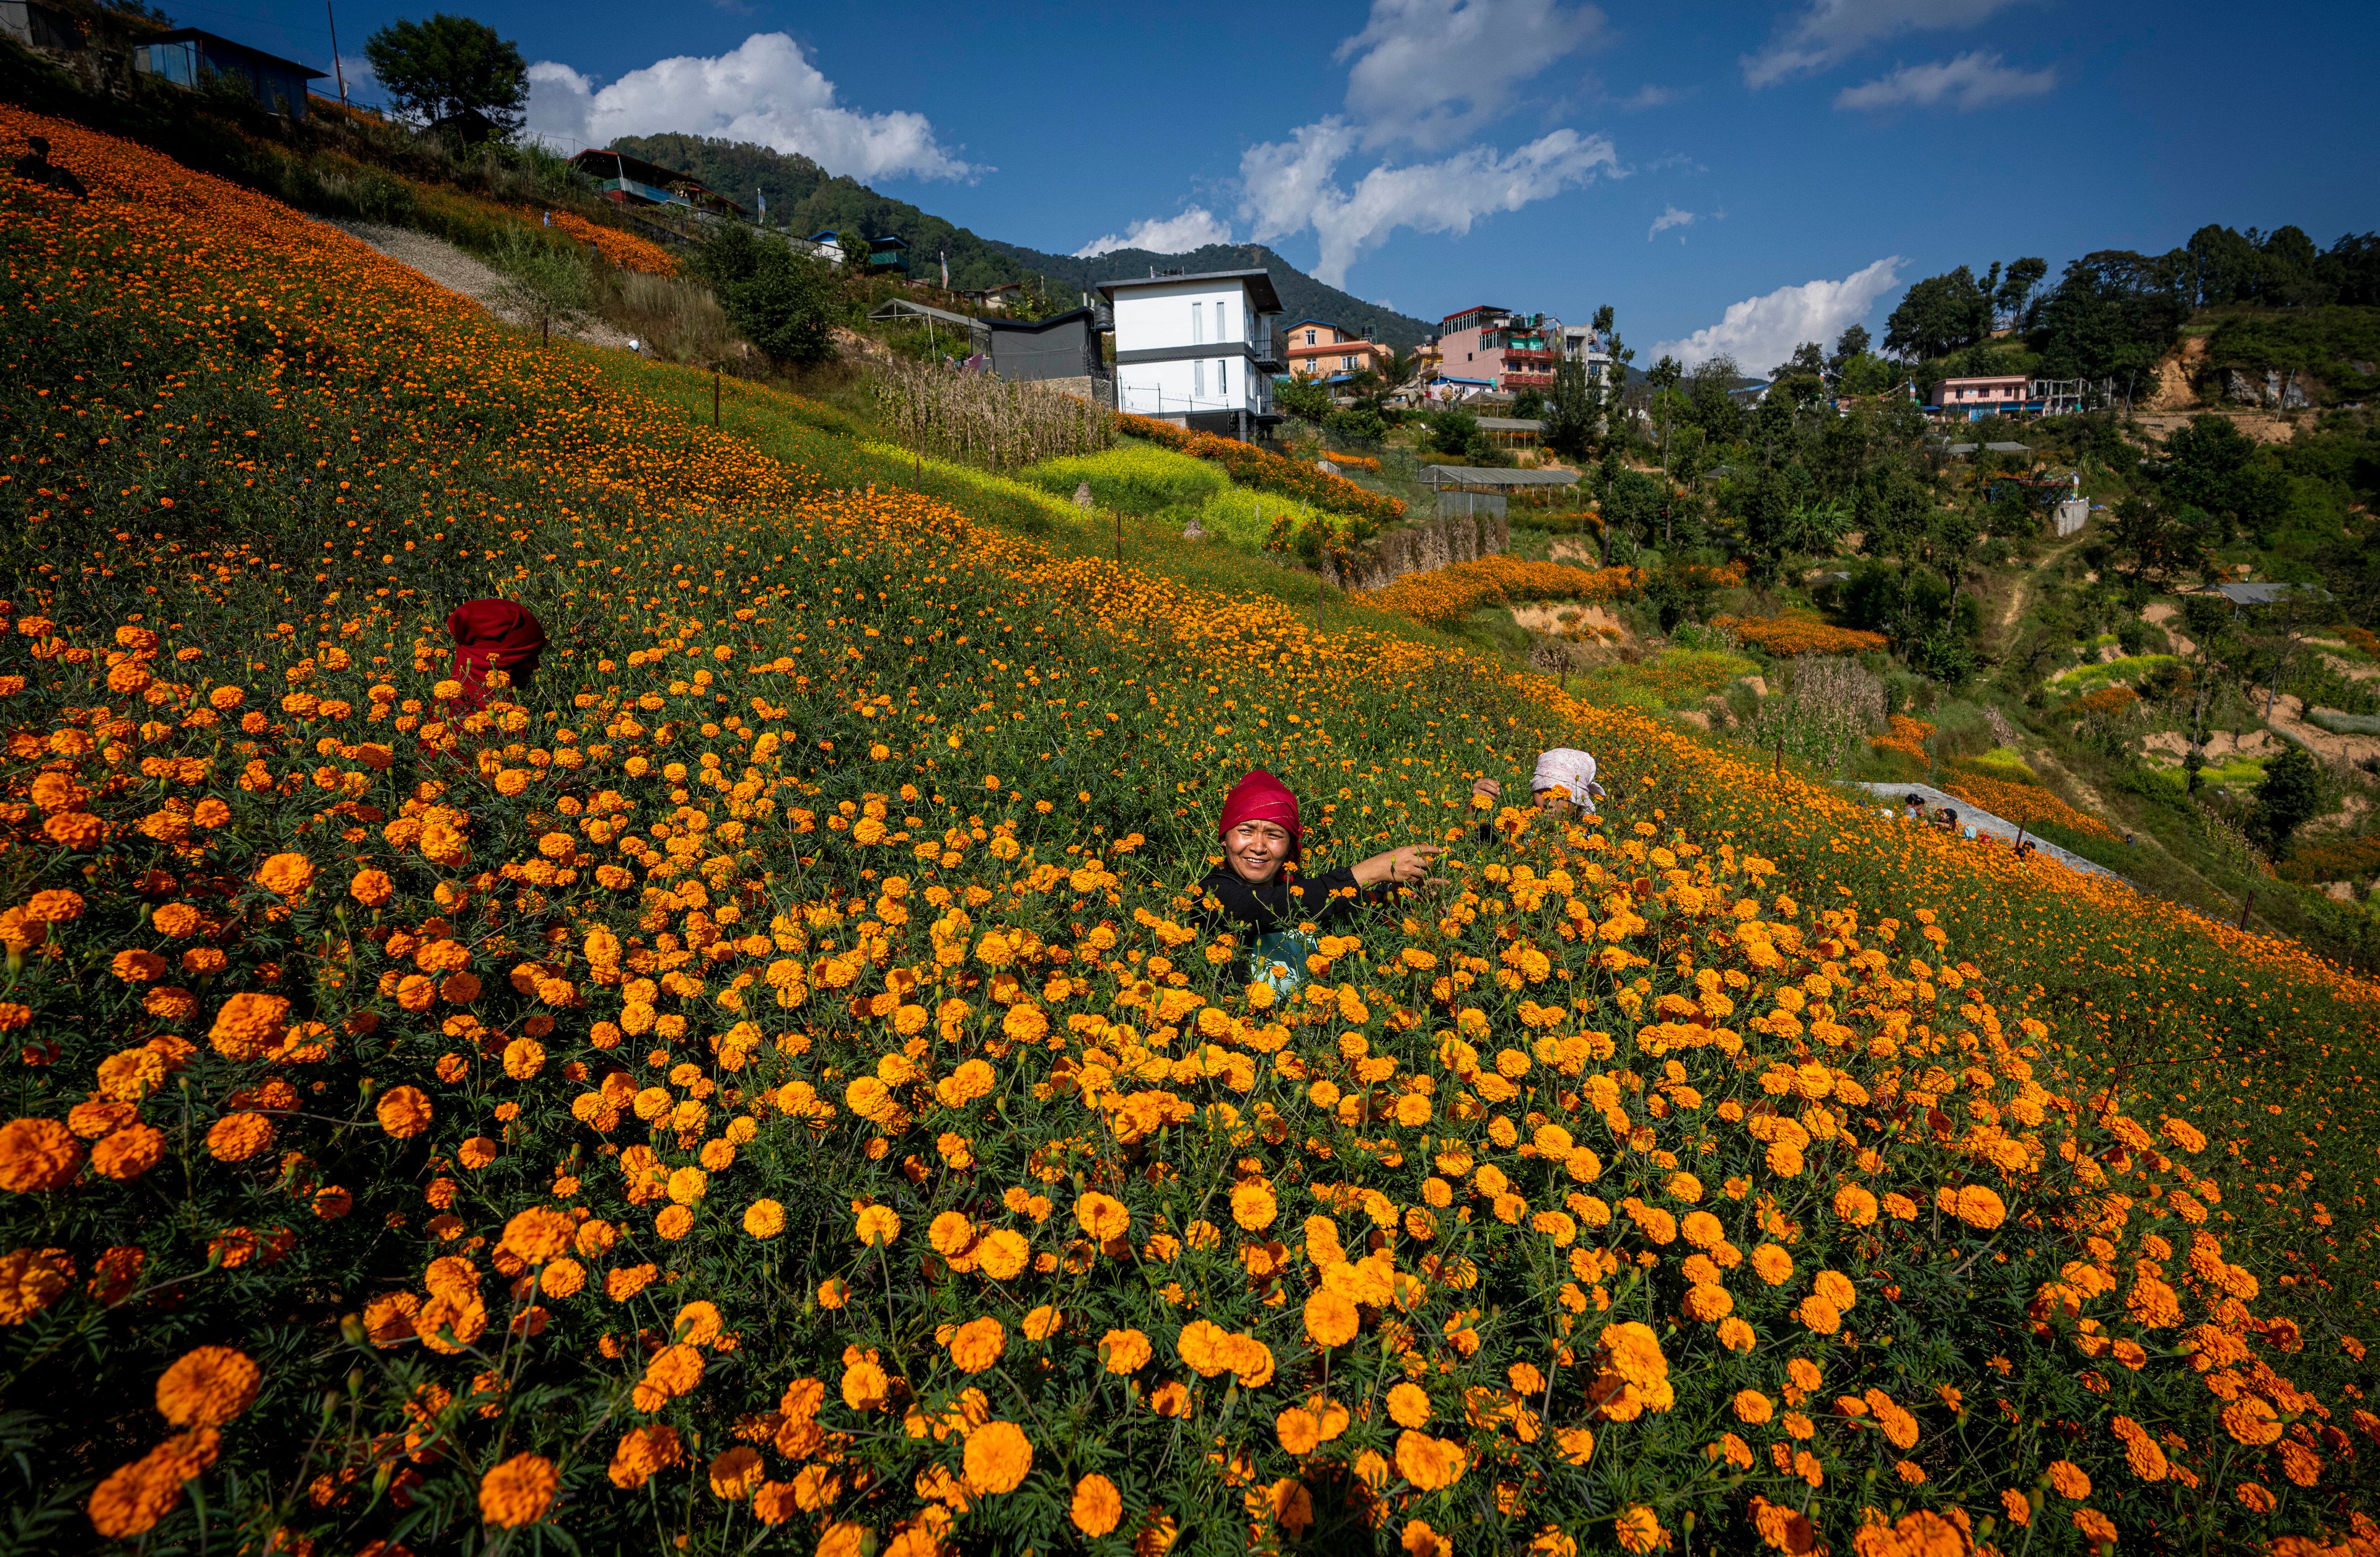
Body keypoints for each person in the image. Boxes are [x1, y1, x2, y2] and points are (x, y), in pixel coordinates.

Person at [1194, 770, 1441, 992]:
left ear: (1291, 846)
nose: (1258, 847)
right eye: (1245, 831)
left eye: (1274, 835)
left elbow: (1349, 907)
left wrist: (1405, 899)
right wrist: (1372, 870)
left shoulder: (1306, 895)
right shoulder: (1211, 891)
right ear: (1225, 838)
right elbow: (1263, 907)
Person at [446, 599, 547, 709]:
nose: (537, 665)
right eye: (530, 657)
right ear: (500, 660)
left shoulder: (447, 711)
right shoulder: (463, 720)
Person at [1468, 746, 1608, 820]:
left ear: (1579, 801)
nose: (1550, 803)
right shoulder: (1513, 827)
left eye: (1562, 796)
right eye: (1542, 791)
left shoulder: (1593, 845)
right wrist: (1474, 808)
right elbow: (1471, 838)